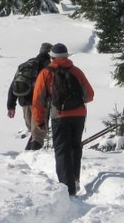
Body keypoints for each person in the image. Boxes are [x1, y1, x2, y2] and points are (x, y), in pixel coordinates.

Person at [32, 43, 94, 196]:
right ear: (67, 57)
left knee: (62, 151)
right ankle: (75, 180)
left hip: (59, 116)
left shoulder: (46, 73)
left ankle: (67, 189)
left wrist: (40, 121)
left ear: (52, 57)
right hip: (79, 115)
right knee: (75, 147)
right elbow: (90, 95)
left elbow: (38, 101)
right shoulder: (76, 71)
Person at [7, 42, 52, 150]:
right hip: (39, 103)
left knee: (33, 131)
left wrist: (11, 106)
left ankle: (29, 155)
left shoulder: (26, 64)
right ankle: (31, 157)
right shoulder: (48, 66)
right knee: (38, 134)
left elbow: (13, 84)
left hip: (24, 102)